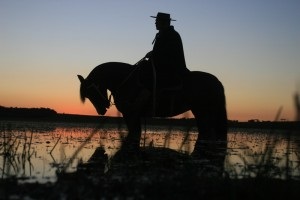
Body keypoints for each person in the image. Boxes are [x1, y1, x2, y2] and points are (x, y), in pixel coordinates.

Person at [132, 12, 189, 113]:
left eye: (157, 21)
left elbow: (168, 53)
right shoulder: (164, 34)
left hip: (171, 68)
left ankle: (149, 103)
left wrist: (153, 54)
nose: (155, 23)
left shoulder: (171, 35)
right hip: (162, 65)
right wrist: (153, 54)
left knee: (148, 77)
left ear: (163, 22)